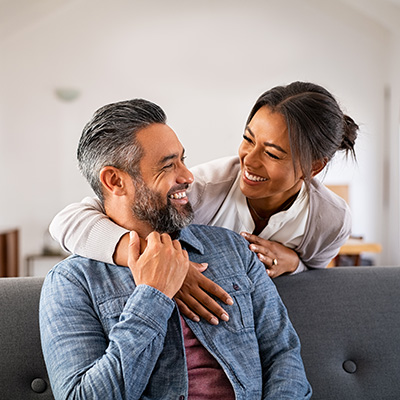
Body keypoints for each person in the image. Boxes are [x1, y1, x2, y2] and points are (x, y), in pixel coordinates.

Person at [39, 98, 312, 399]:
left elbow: (283, 355)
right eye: (169, 166)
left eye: (183, 159)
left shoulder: (233, 248)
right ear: (115, 180)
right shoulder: (72, 282)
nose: (188, 176)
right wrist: (152, 296)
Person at [49, 81, 358, 323]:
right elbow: (67, 222)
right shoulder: (204, 188)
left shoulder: (330, 220)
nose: (248, 160)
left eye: (273, 153)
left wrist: (295, 263)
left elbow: (315, 279)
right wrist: (160, 264)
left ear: (314, 167)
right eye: (248, 139)